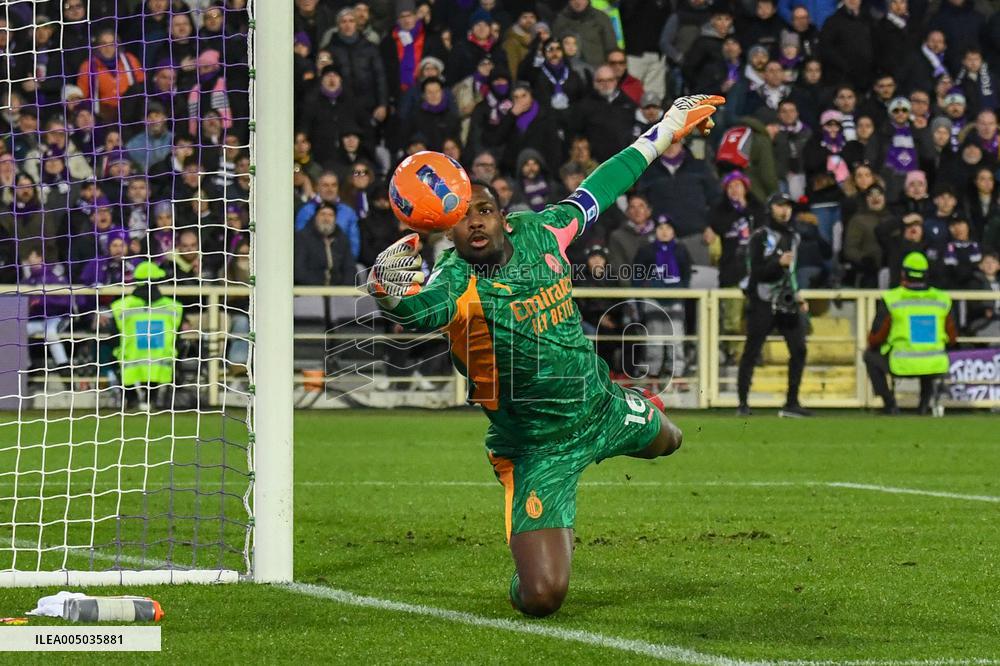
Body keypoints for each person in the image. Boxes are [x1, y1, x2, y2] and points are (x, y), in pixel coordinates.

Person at [367, 94, 725, 617]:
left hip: (600, 405)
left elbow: (602, 186)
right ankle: (536, 539)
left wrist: (669, 126)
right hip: (537, 447)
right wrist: (386, 291)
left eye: (484, 211)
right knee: (542, 597)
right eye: (462, 219)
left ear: (504, 217)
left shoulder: (543, 232)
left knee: (671, 441)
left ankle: (635, 407)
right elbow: (420, 311)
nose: (475, 223)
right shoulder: (456, 282)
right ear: (447, 230)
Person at [736, 192, 811, 418]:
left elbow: (792, 271)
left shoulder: (794, 237)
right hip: (762, 300)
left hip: (786, 300)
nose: (785, 210)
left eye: (788, 206)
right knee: (752, 351)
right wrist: (777, 263)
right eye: (780, 205)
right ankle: (743, 403)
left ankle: (792, 403)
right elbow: (755, 272)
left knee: (799, 349)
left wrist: (797, 295)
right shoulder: (760, 236)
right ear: (770, 208)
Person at [864, 252, 957, 415]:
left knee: (869, 356)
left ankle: (890, 405)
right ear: (926, 274)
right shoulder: (942, 299)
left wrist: (874, 342)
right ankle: (923, 406)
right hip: (934, 363)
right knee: (929, 366)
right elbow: (952, 337)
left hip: (901, 364)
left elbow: (876, 337)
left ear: (903, 274)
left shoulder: (892, 298)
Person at [108, 261, 184, 411]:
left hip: (130, 361)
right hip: (161, 363)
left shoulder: (120, 306)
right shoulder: (174, 307)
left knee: (114, 355)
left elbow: (114, 338)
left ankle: (132, 399)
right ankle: (153, 399)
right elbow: (177, 340)